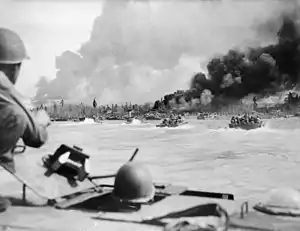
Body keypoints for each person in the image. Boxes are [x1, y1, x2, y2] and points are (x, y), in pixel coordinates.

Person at [0, 28, 50, 212]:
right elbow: (36, 138)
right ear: (14, 67)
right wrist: (42, 122)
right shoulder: (3, 84)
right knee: (16, 116)